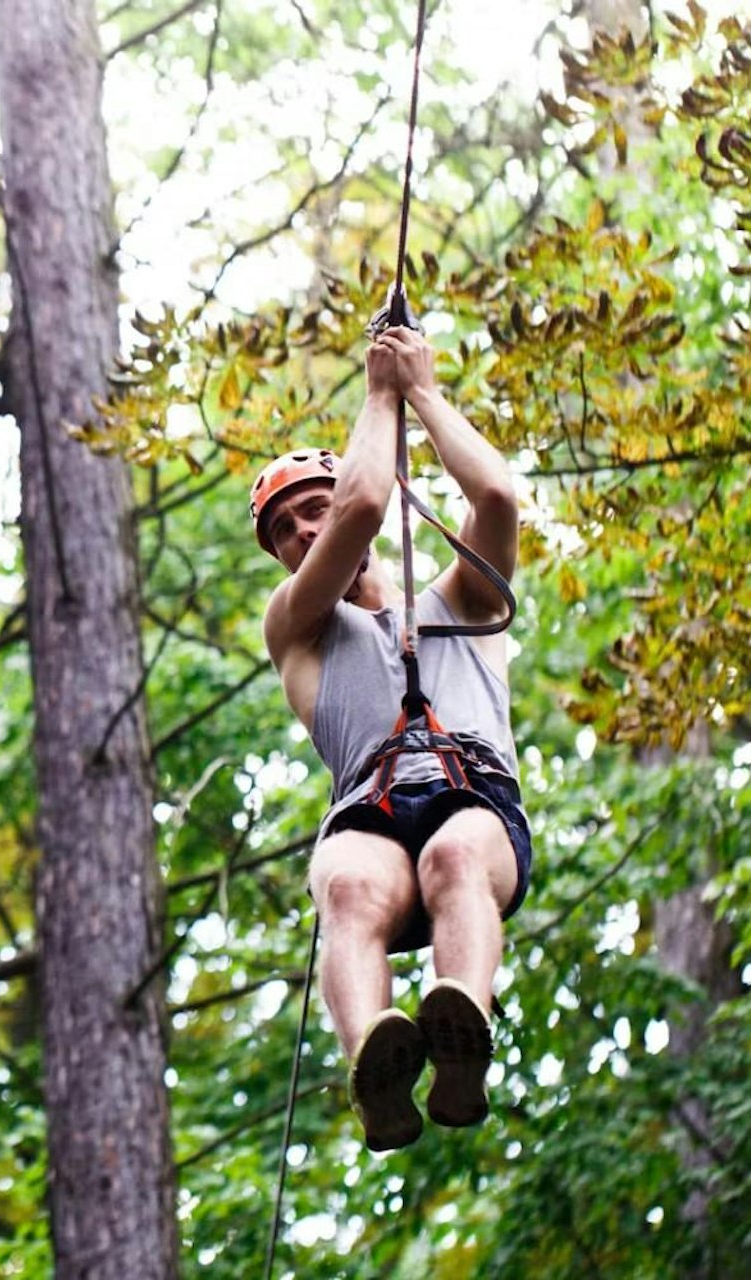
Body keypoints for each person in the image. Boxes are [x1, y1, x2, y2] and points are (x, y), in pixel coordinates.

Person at [251, 323, 531, 1152]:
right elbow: (363, 503)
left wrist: (424, 396)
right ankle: (374, 1064)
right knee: (344, 884)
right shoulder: (297, 626)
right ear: (280, 556)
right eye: (288, 529)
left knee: (455, 858)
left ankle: (460, 1033)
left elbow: (498, 501)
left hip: (471, 804)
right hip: (370, 817)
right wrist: (379, 395)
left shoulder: (466, 604)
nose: (307, 531)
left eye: (314, 512)